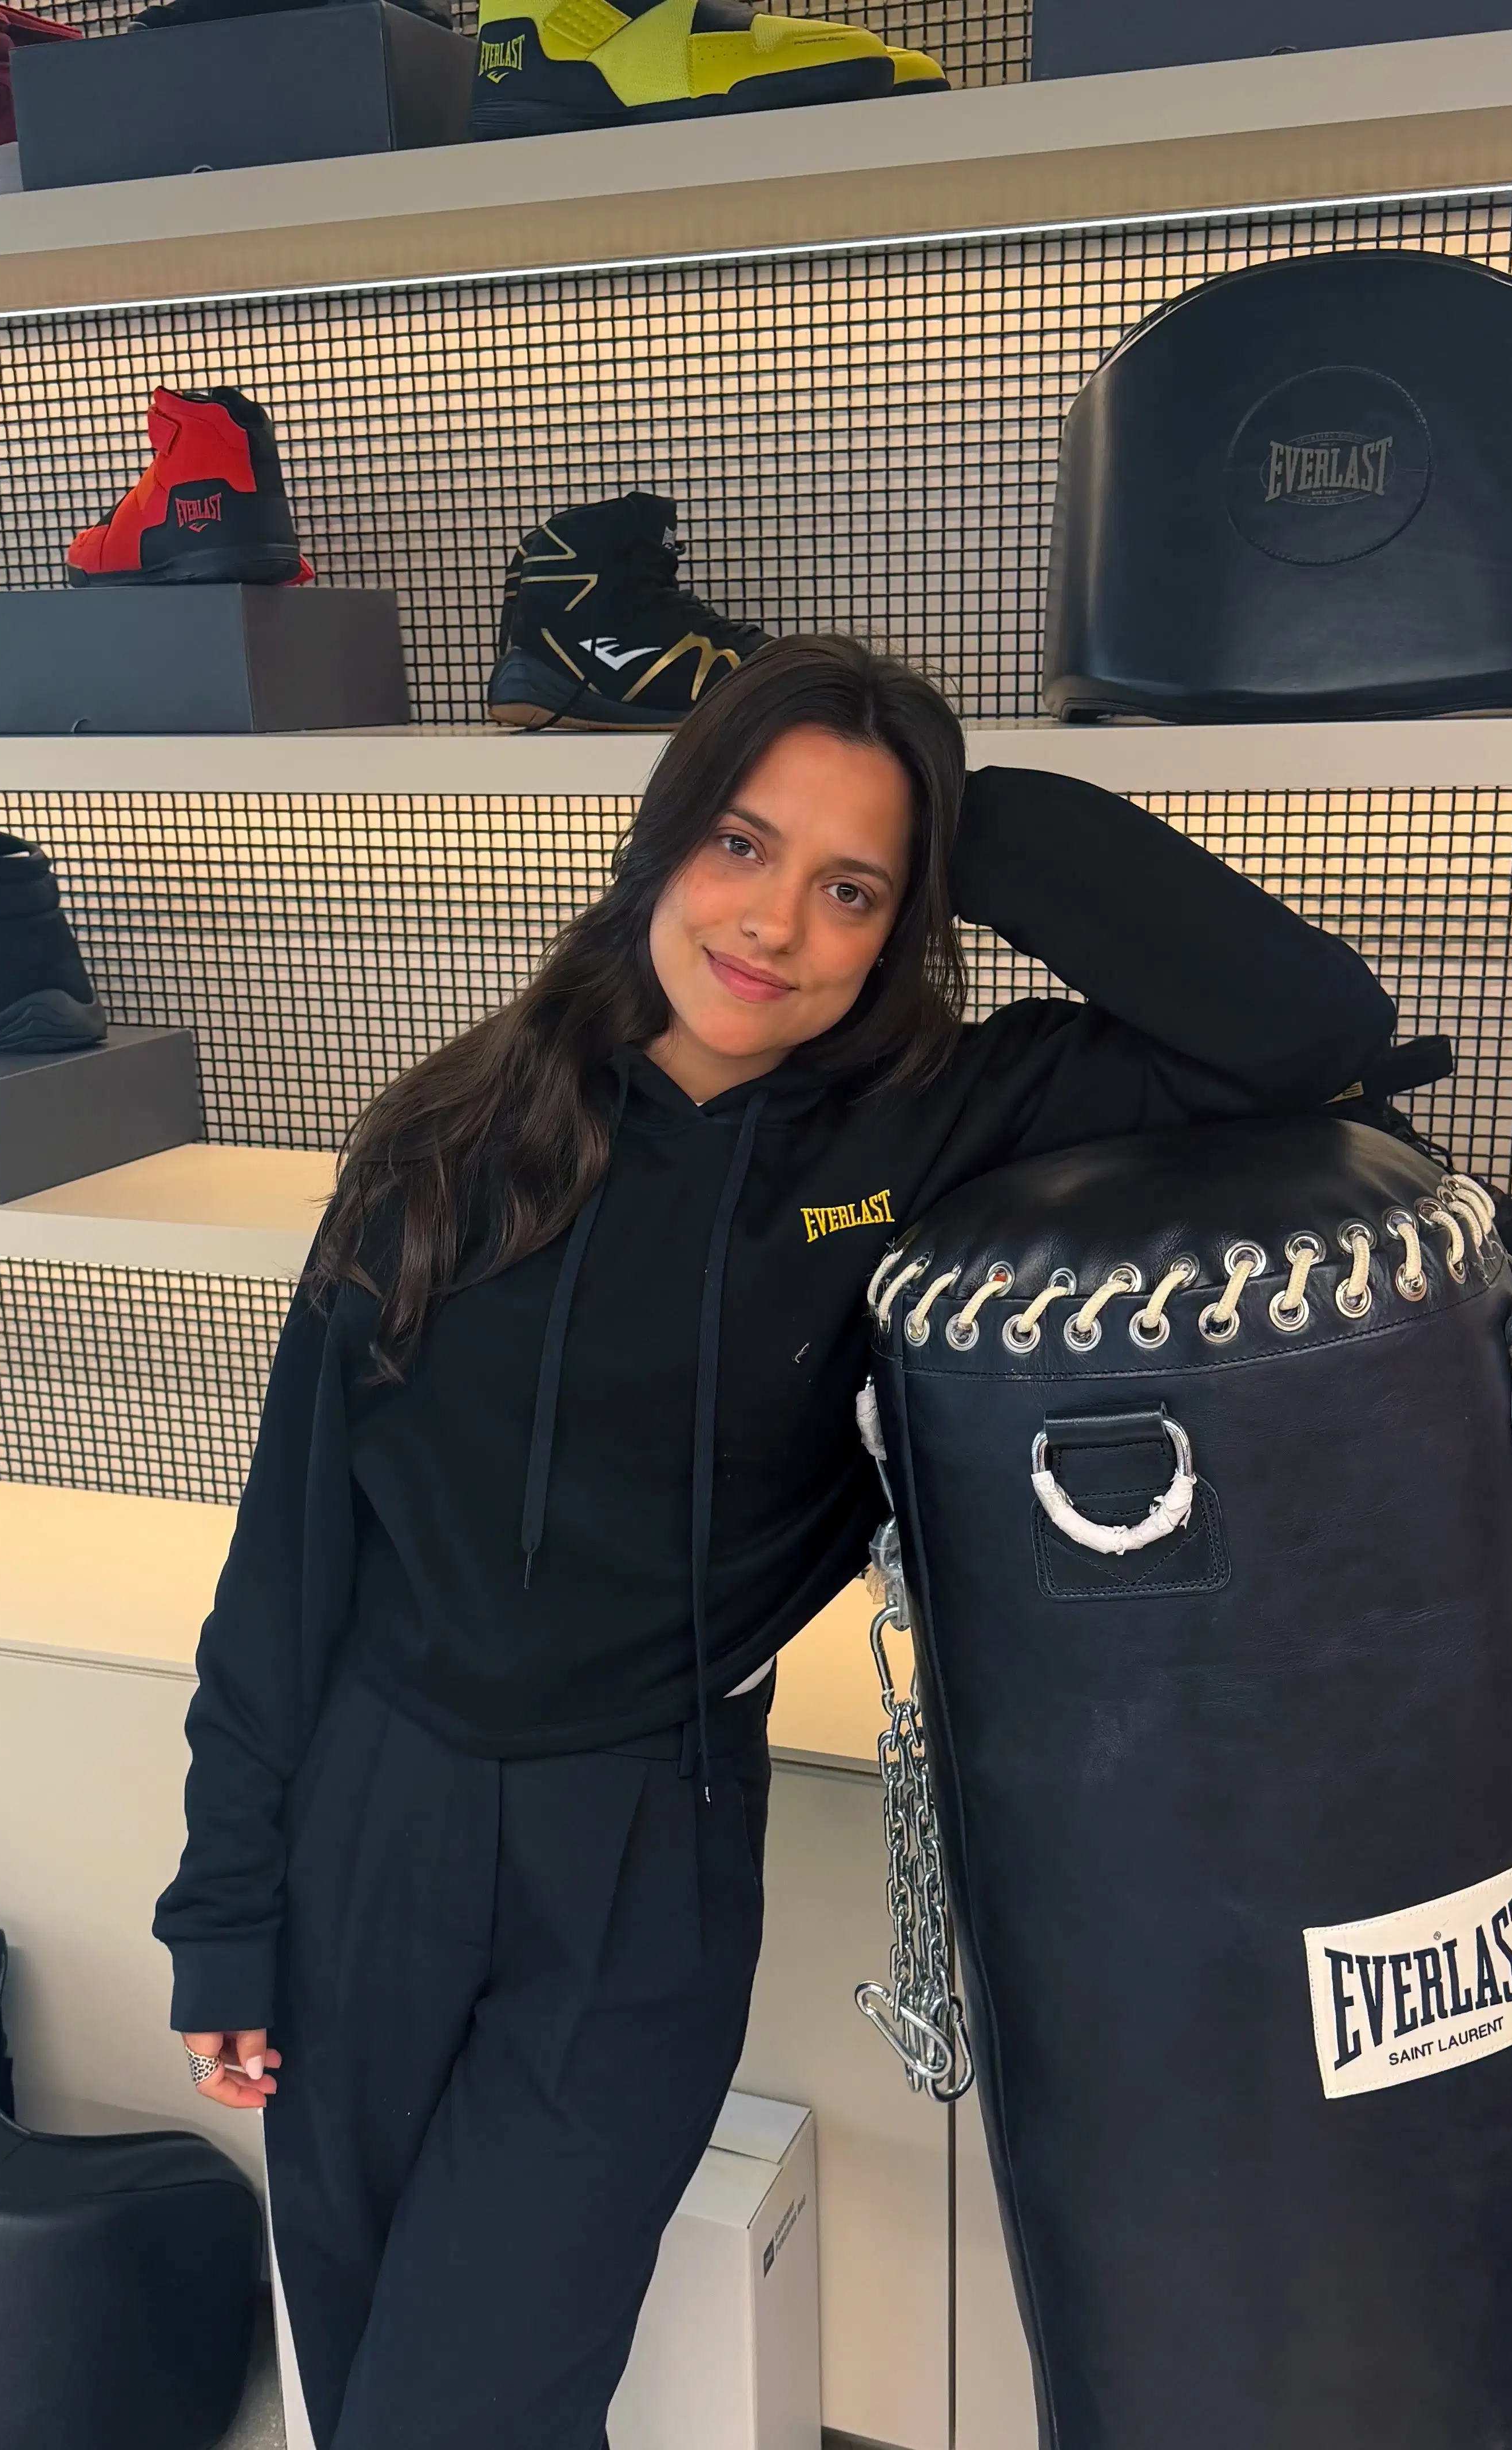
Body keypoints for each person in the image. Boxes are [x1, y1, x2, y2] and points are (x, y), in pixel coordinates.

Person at [154, 636, 1397, 2447]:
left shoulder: (939, 1119)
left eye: (851, 888)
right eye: (741, 847)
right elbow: (288, 1560)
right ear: (663, 843)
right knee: (368, 2391)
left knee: (466, 2410)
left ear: (905, 923)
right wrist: (227, 1911)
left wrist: (981, 813)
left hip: (646, 1850)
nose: (774, 928)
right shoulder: (451, 1133)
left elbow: (1306, 1031)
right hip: (373, 1825)